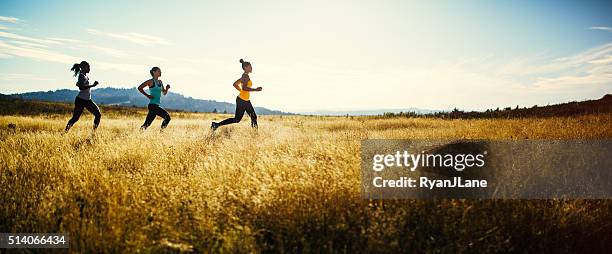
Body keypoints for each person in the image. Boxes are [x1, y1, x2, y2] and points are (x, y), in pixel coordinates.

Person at [211, 59, 262, 131]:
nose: (251, 68)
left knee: (253, 117)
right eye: (250, 66)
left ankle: (255, 134)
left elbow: (235, 84)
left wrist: (241, 91)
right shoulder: (245, 76)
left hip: (245, 100)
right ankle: (216, 124)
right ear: (246, 67)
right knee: (237, 119)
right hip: (242, 101)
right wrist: (255, 90)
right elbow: (244, 88)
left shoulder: (244, 76)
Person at [65, 61, 102, 132]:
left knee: (98, 114)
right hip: (81, 100)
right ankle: (65, 132)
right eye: (88, 67)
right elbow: (81, 87)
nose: (89, 69)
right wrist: (93, 85)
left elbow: (80, 84)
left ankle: (93, 133)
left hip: (87, 100)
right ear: (84, 68)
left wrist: (79, 83)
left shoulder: (84, 76)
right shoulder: (82, 75)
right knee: (75, 118)